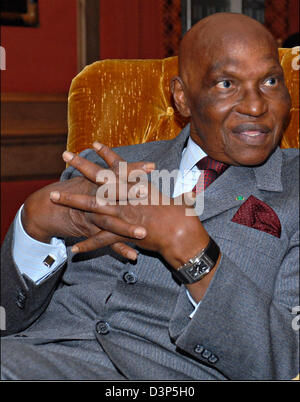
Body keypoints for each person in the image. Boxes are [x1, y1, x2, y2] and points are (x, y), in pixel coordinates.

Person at [1, 12, 299, 381]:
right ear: (182, 98)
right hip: (34, 359)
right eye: (226, 84)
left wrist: (191, 249)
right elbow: (6, 319)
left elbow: (284, 363)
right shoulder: (101, 166)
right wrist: (34, 222)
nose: (255, 106)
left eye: (270, 80)